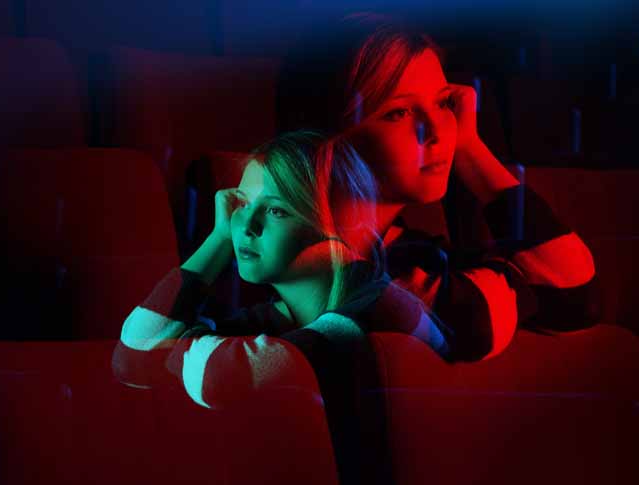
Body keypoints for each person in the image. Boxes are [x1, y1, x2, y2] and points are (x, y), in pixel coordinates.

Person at [113, 130, 444, 485]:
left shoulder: (381, 307)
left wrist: (182, 346)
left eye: (275, 210)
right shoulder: (282, 318)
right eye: (241, 204)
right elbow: (133, 358)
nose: (247, 225)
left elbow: (219, 377)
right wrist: (219, 237)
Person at [276, 13, 601, 362]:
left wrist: (470, 148)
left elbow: (579, 298)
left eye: (443, 103)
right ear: (322, 138)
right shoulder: (286, 253)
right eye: (398, 113)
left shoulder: (408, 252)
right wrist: (514, 277)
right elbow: (471, 322)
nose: (437, 130)